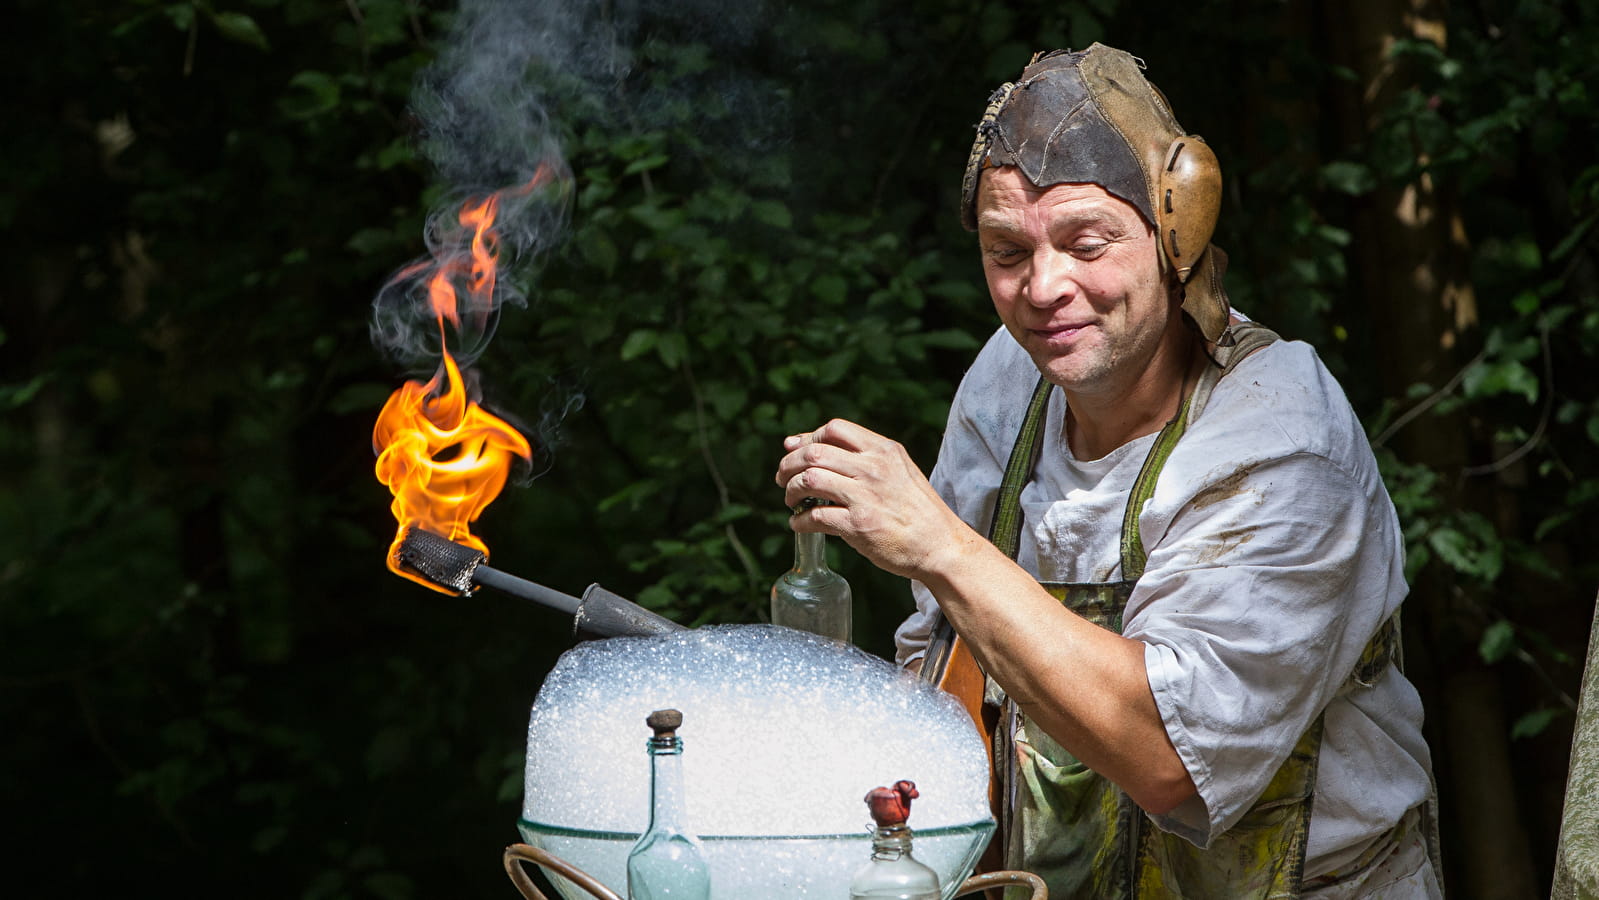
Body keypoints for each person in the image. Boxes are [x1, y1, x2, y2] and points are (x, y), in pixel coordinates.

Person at [775, 44, 1441, 898]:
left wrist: (939, 545)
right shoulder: (1009, 381)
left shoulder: (1281, 441)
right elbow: (955, 664)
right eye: (1006, 251)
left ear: (1177, 230)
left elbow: (1172, 757)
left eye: (1086, 243)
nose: (1043, 288)